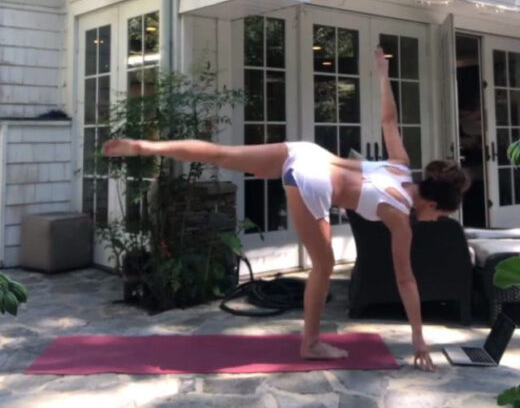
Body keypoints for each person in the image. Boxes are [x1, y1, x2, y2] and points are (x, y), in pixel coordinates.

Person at [103, 46, 470, 371]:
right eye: (440, 215)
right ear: (433, 203)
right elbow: (405, 280)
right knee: (324, 265)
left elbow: (389, 119)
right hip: (315, 179)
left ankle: (147, 147)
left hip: (307, 153)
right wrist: (419, 339)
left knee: (224, 154)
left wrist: (383, 75)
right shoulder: (400, 218)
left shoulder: (401, 164)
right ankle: (311, 343)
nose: (434, 220)